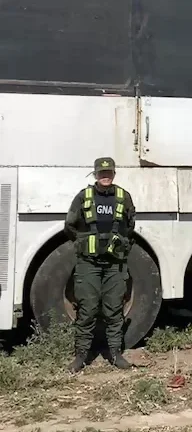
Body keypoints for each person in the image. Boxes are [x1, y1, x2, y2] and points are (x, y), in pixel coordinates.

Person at [64, 157, 137, 372]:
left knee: (114, 310)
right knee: (87, 309)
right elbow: (70, 226)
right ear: (95, 174)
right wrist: (87, 244)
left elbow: (130, 226)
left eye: (109, 173)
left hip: (115, 264)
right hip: (88, 263)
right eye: (101, 173)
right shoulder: (83, 196)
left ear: (114, 174)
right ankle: (81, 356)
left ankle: (115, 353)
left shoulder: (124, 197)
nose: (105, 176)